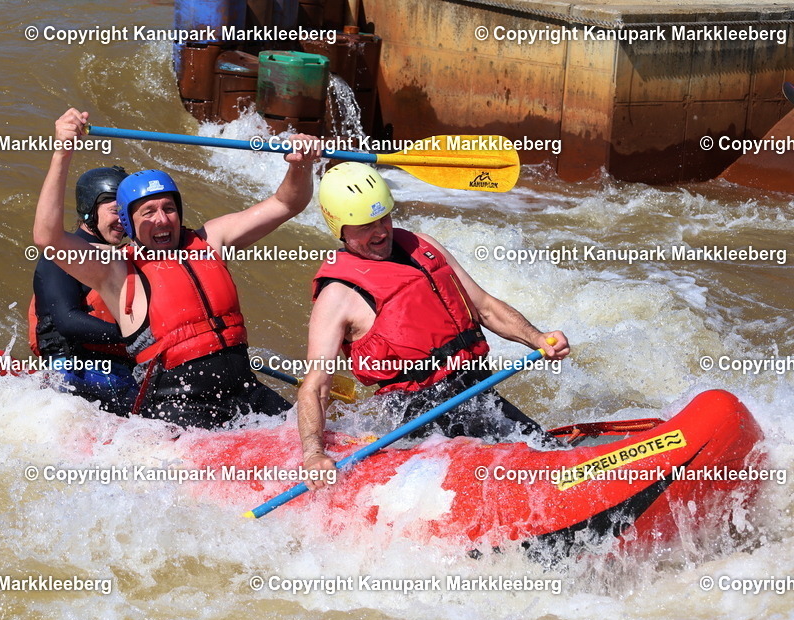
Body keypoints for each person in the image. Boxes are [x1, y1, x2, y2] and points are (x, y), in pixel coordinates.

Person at [32, 108, 322, 428]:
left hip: (244, 389)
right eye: (148, 212)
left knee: (312, 435)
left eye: (168, 208)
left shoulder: (211, 240)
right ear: (129, 222)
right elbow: (48, 239)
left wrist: (302, 165)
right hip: (178, 402)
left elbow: (286, 204)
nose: (161, 219)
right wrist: (62, 151)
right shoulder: (116, 270)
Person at [298, 162, 570, 489]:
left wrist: (537, 338)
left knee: (550, 456)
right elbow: (316, 384)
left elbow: (483, 306)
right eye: (366, 225)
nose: (381, 231)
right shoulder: (337, 296)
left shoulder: (423, 248)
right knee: (534, 475)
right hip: (417, 414)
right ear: (339, 227)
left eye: (384, 217)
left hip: (476, 392)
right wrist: (313, 453)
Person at [28, 165, 138, 415]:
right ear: (90, 210)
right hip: (77, 371)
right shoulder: (60, 255)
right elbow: (67, 321)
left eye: (128, 212)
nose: (124, 220)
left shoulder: (124, 260)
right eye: (115, 210)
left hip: (118, 372)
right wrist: (134, 337)